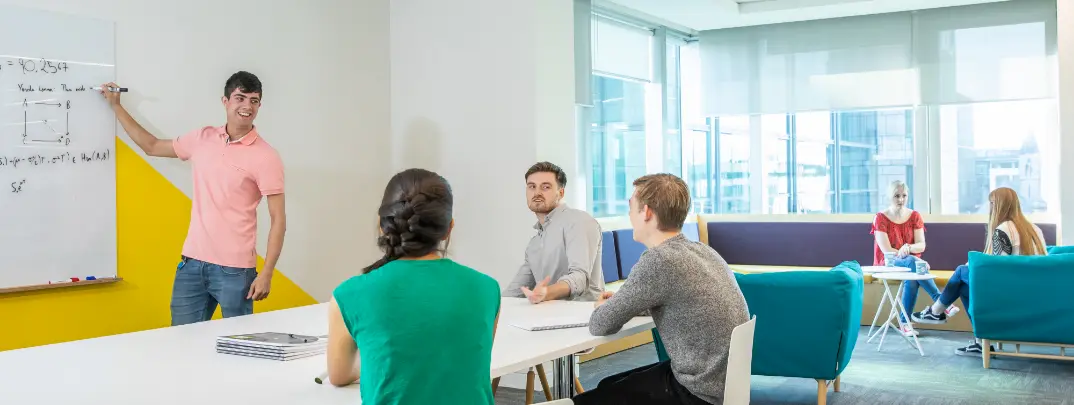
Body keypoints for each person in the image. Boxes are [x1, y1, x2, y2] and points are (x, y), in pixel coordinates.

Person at [99, 72, 286, 326]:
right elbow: (152, 146)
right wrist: (116, 106)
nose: (247, 107)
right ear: (225, 101)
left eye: (254, 101)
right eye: (240, 98)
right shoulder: (203, 139)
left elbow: (278, 220)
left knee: (238, 348)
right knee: (182, 345)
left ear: (259, 105)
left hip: (236, 271)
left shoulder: (266, 156)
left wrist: (266, 273)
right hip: (192, 264)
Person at [325, 168, 501, 404]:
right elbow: (467, 364)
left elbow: (337, 376)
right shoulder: (487, 289)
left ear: (382, 225)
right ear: (449, 228)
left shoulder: (347, 294)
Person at [577, 173, 749, 405]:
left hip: (695, 393)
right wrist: (624, 301)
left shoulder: (659, 260)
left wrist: (605, 307)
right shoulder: (704, 251)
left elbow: (600, 324)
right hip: (723, 386)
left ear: (646, 212)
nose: (629, 215)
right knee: (609, 384)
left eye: (631, 206)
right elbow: (677, 301)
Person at [911, 187, 1047, 356]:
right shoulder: (1034, 229)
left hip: (1009, 291)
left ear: (998, 206)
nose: (989, 208)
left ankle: (936, 311)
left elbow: (997, 268)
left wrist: (972, 267)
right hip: (1032, 291)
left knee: (961, 272)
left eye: (991, 203)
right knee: (963, 286)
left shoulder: (1003, 229)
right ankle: (979, 342)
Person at [503, 161, 604, 303]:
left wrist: (546, 293)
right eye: (532, 186)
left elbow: (580, 278)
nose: (537, 192)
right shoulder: (534, 244)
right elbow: (515, 291)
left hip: (584, 316)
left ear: (560, 193)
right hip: (547, 318)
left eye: (545, 187)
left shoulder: (578, 221)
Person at [870, 180, 958, 336]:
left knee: (912, 275)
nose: (901, 200)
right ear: (889, 196)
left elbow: (921, 245)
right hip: (888, 263)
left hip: (912, 265)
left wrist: (909, 248)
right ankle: (942, 302)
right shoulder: (880, 218)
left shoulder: (915, 216)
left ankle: (905, 323)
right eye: (896, 196)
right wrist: (913, 258)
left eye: (904, 196)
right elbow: (887, 251)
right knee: (913, 263)